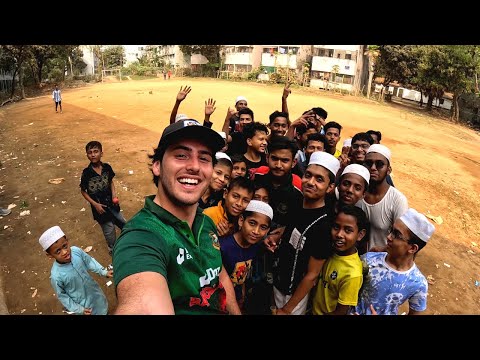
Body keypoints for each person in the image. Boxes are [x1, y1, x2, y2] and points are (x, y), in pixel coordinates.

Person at [112, 118, 241, 315]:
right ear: (157, 166)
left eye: (204, 158)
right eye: (181, 155)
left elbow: (219, 273)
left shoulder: (206, 222)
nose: (195, 166)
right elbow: (141, 303)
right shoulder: (141, 237)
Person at [273, 151, 339, 315]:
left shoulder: (324, 226)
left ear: (330, 187)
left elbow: (312, 275)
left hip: (292, 296)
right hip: (278, 281)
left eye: (319, 179)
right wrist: (277, 234)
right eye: (308, 175)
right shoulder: (297, 202)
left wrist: (287, 309)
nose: (310, 182)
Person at [353, 208, 435, 315]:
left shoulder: (418, 283)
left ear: (412, 248)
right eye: (391, 231)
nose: (389, 237)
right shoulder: (369, 260)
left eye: (396, 235)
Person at [39, 225, 113, 315]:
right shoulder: (56, 276)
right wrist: (79, 309)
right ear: (50, 255)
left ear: (67, 241)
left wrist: (103, 271)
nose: (64, 252)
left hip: (94, 292)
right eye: (58, 251)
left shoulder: (76, 251)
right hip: (83, 305)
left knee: (102, 307)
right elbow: (62, 296)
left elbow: (88, 261)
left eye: (65, 246)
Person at [311, 205, 368, 315]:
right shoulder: (328, 250)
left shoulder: (352, 274)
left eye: (348, 230)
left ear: (360, 235)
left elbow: (340, 312)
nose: (339, 234)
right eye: (336, 227)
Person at [220, 200, 273, 310]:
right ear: (241, 220)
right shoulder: (223, 246)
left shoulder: (255, 247)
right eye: (252, 223)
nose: (256, 231)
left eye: (263, 227)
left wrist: (242, 293)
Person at [357, 144, 408, 251]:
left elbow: (403, 239)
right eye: (369, 163)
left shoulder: (397, 200)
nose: (373, 168)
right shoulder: (355, 192)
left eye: (379, 164)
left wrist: (382, 250)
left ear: (389, 170)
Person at [80, 141, 127, 256]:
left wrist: (114, 195)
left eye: (96, 151)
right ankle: (114, 251)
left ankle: (128, 243)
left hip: (112, 205)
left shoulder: (107, 168)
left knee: (124, 224)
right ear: (87, 155)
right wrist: (95, 204)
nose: (93, 155)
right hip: (100, 209)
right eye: (90, 152)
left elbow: (111, 182)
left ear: (102, 153)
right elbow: (83, 191)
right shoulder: (86, 173)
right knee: (110, 232)